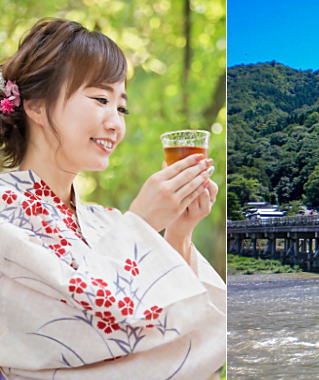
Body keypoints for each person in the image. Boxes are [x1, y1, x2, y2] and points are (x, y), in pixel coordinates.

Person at [0, 19, 225, 379]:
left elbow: (189, 319)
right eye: (101, 99)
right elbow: (85, 331)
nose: (115, 124)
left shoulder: (104, 219)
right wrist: (143, 223)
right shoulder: (5, 209)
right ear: (37, 105)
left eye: (121, 108)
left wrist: (178, 234)